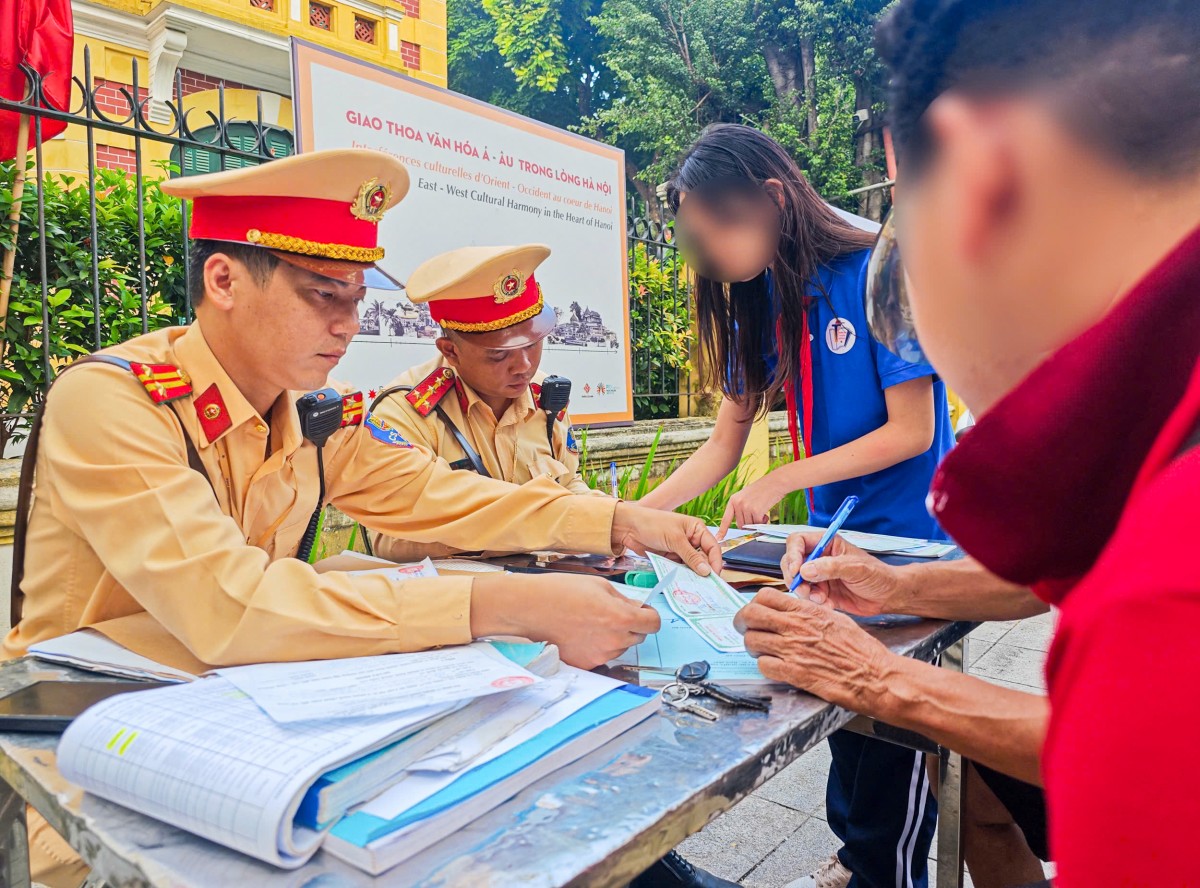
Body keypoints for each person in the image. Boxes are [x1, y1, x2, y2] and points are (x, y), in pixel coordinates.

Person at [5, 148, 722, 887]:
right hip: (88, 757)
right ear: (223, 280)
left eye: (356, 296)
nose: (349, 324)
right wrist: (506, 603)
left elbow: (440, 494)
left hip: (252, 713)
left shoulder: (311, 414)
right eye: (324, 294)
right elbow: (228, 605)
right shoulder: (116, 402)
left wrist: (618, 522)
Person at [736, 1, 1200, 885]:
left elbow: (1142, 721)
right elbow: (1067, 579)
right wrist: (895, 585)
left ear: (980, 180)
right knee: (979, 795)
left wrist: (887, 683)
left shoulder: (1167, 594)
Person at [639, 123, 955, 888]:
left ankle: (887, 872)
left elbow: (910, 433)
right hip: (826, 547)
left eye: (712, 237)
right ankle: (855, 858)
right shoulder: (763, 297)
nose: (706, 261)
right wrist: (626, 521)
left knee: (898, 734)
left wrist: (782, 479)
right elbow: (722, 444)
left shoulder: (884, 267)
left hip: (912, 548)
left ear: (770, 200)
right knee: (843, 707)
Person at [370, 243, 603, 563]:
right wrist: (528, 529)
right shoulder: (405, 414)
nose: (523, 365)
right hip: (455, 602)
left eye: (533, 344)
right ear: (450, 350)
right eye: (499, 354)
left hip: (547, 592)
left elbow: (569, 484)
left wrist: (619, 524)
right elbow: (389, 539)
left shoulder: (544, 398)